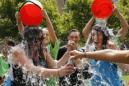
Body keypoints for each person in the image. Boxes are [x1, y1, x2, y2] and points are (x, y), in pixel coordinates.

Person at [77, 5, 129, 86]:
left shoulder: (112, 45)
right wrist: (94, 16)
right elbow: (85, 32)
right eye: (93, 35)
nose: (96, 37)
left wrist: (117, 13)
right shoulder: (91, 50)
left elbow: (125, 28)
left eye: (99, 34)